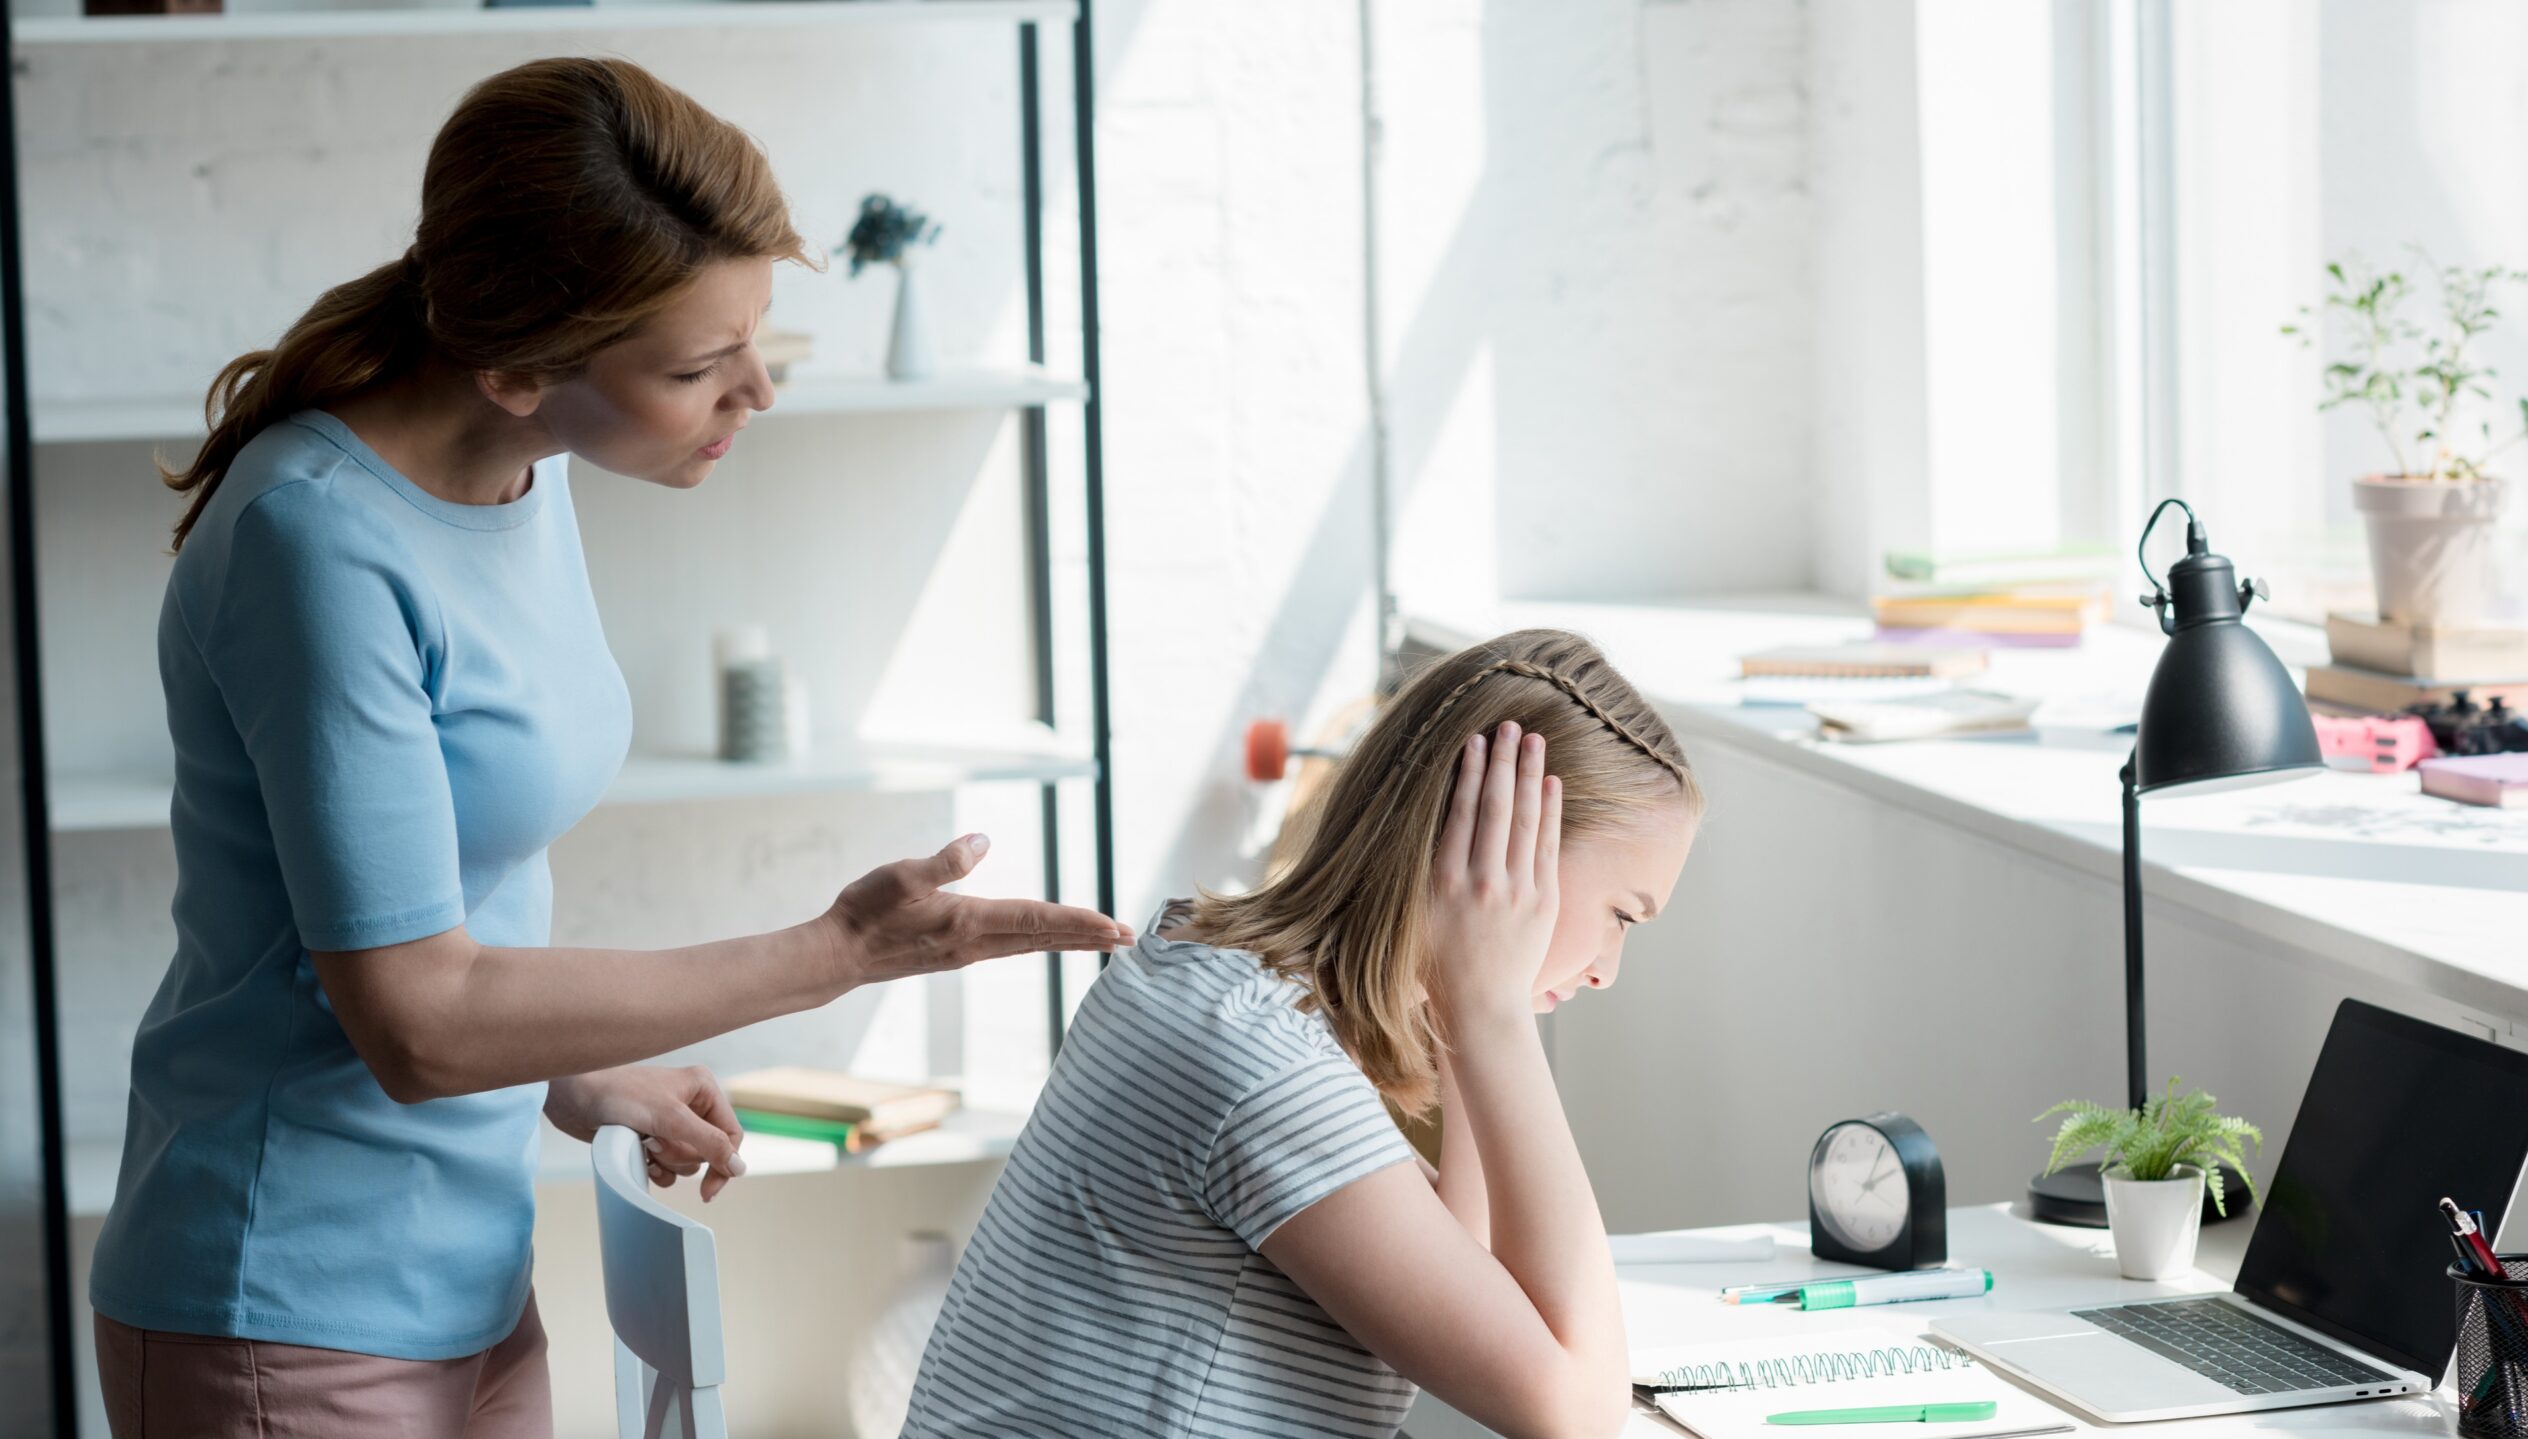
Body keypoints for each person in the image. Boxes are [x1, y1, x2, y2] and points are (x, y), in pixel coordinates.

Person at [85, 56, 1128, 1439]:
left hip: (470, 1274)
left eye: (755, 338)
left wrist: (573, 1073)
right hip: (287, 1297)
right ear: (516, 364)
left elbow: (426, 915)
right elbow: (415, 1017)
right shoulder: (315, 541)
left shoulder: (525, 470)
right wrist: (836, 953)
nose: (755, 389)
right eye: (699, 366)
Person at [901, 628, 1702, 1439]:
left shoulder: (1203, 970)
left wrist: (1471, 1007)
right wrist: (1492, 1009)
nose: (1607, 968)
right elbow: (1580, 1414)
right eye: (1621, 915)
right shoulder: (1259, 1068)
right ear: (1502, 851)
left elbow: (1458, 1270)